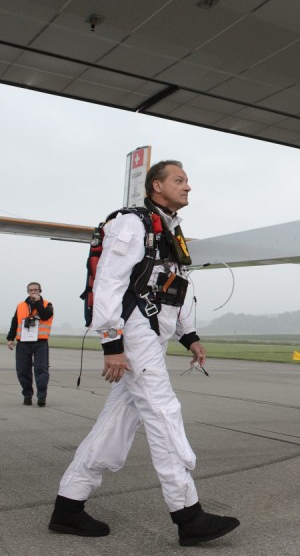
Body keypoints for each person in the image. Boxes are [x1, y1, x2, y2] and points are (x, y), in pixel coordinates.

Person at [48, 160, 240, 545]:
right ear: (156, 186)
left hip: (153, 333)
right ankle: (188, 514)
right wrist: (112, 344)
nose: (188, 187)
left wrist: (190, 336)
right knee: (162, 411)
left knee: (118, 421)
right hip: (133, 331)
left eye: (187, 180)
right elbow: (108, 283)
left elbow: (177, 285)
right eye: (179, 180)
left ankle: (68, 505)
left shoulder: (171, 230)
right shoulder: (132, 223)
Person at [7, 282, 53, 406]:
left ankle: (41, 396)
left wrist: (38, 302)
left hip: (40, 342)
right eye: (31, 290)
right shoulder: (21, 306)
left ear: (40, 291)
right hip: (23, 342)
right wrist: (10, 338)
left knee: (41, 369)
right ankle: (27, 394)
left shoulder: (47, 305)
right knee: (22, 370)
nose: (33, 292)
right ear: (27, 291)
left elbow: (45, 315)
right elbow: (14, 323)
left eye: (36, 290)